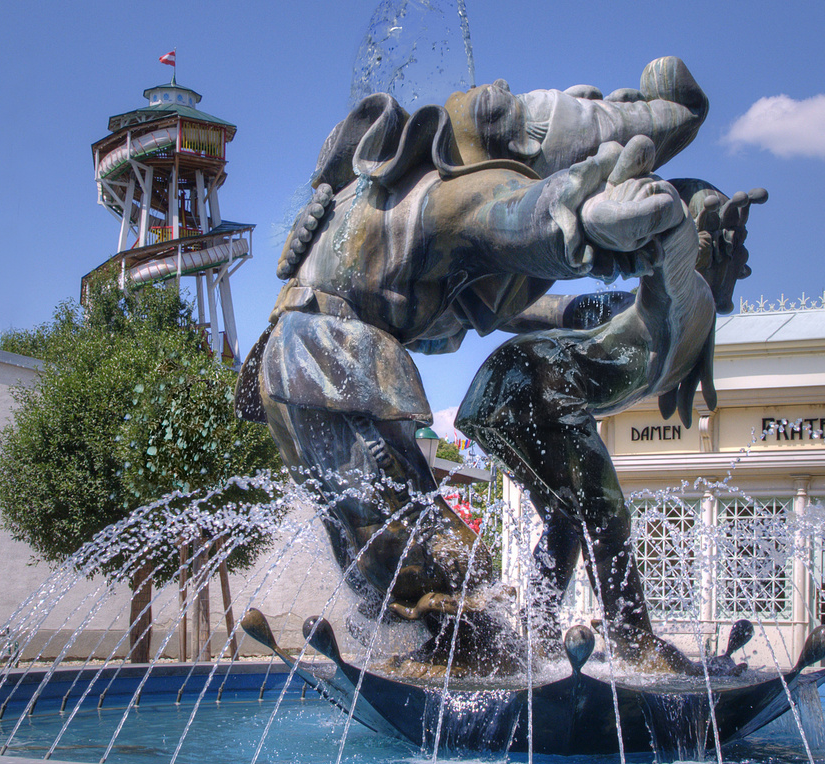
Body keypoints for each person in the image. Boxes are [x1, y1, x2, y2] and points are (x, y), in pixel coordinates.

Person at [237, 57, 758, 671]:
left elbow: (542, 306)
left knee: (405, 548)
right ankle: (526, 653)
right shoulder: (454, 198)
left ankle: (502, 645)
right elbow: (534, 217)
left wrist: (641, 286)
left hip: (300, 375)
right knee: (440, 556)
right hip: (331, 375)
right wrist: (591, 222)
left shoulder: (387, 198)